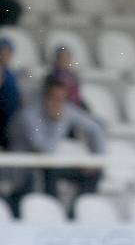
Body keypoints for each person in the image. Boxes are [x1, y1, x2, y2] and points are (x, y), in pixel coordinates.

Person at [6, 76, 105, 218]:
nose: (58, 103)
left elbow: (95, 129)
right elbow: (44, 148)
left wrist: (96, 159)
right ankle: (50, 215)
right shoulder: (28, 115)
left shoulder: (65, 109)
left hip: (46, 164)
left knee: (94, 171)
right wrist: (59, 122)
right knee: (48, 171)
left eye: (62, 99)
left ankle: (74, 215)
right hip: (23, 168)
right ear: (44, 97)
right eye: (54, 98)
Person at [48, 45, 88, 110]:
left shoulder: (72, 76)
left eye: (68, 57)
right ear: (58, 59)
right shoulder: (53, 77)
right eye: (63, 58)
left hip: (76, 107)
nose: (66, 60)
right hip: (65, 108)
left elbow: (78, 97)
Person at [0, 37, 20, 150]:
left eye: (9, 52)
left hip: (12, 115)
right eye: (3, 52)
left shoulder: (9, 71)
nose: (6, 55)